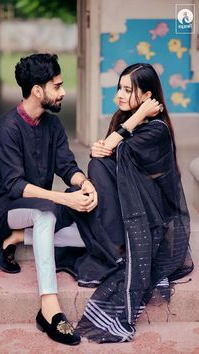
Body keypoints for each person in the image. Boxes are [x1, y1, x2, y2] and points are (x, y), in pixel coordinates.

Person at [0, 53, 98, 346]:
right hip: (3, 206)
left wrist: (84, 184)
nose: (63, 91)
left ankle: (13, 239)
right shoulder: (6, 128)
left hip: (39, 203)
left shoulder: (52, 125)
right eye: (57, 86)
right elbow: (15, 186)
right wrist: (65, 200)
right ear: (38, 90)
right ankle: (50, 310)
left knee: (90, 226)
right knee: (47, 216)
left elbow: (66, 166)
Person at [61, 63, 193, 343]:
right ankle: (115, 245)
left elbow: (111, 148)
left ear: (146, 96)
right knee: (92, 174)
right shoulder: (125, 117)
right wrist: (117, 134)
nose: (119, 95)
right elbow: (106, 153)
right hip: (132, 199)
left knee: (97, 167)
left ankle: (117, 249)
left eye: (127, 90)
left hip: (153, 209)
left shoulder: (155, 128)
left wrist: (132, 122)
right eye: (119, 88)